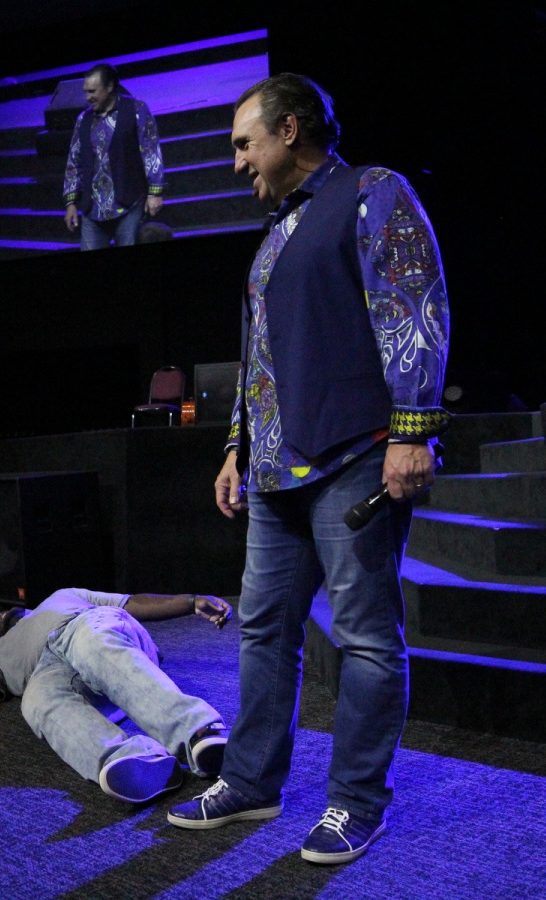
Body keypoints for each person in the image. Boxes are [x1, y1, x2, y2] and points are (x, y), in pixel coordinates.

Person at [166, 74, 450, 866]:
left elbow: (414, 309)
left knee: (364, 637)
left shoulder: (373, 192)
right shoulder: (274, 234)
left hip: (355, 454)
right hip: (273, 474)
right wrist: (236, 446)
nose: (236, 162)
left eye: (243, 144)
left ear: (289, 130)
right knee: (263, 628)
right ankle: (251, 782)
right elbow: (257, 357)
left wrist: (413, 430)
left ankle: (356, 801)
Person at [0, 587, 234, 803]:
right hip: (50, 671)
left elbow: (131, 602)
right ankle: (131, 761)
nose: (0, 617)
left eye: (7, 612)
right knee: (35, 702)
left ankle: (197, 733)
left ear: (25, 609)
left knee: (90, 644)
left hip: (89, 628)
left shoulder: (63, 597)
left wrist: (189, 602)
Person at [62, 63, 165, 250]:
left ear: (109, 87)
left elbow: (151, 151)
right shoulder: (83, 119)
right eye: (86, 92)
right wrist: (71, 203)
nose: (88, 97)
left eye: (92, 91)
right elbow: (74, 161)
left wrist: (154, 192)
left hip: (128, 204)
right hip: (92, 209)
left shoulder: (136, 110)